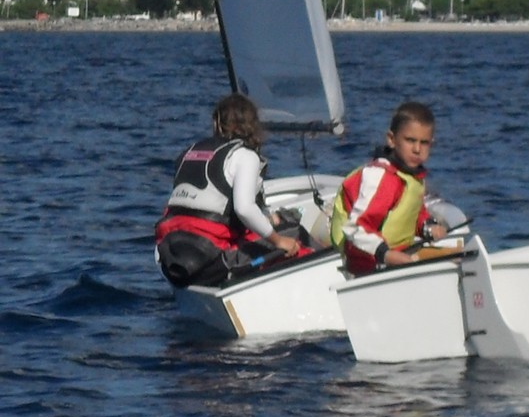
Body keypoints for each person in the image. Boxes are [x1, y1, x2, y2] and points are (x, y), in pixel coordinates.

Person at [155, 93, 301, 287]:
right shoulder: (245, 156)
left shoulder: (188, 152)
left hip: (170, 257)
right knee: (295, 233)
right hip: (210, 261)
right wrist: (279, 241)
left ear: (216, 123)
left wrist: (266, 219)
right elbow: (244, 209)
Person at [330, 101, 449, 276]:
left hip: (399, 258)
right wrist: (384, 254)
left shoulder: (413, 177)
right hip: (368, 268)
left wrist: (427, 227)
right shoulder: (382, 178)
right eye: (410, 140)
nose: (417, 149)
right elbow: (355, 227)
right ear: (391, 140)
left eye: (424, 143)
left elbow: (411, 213)